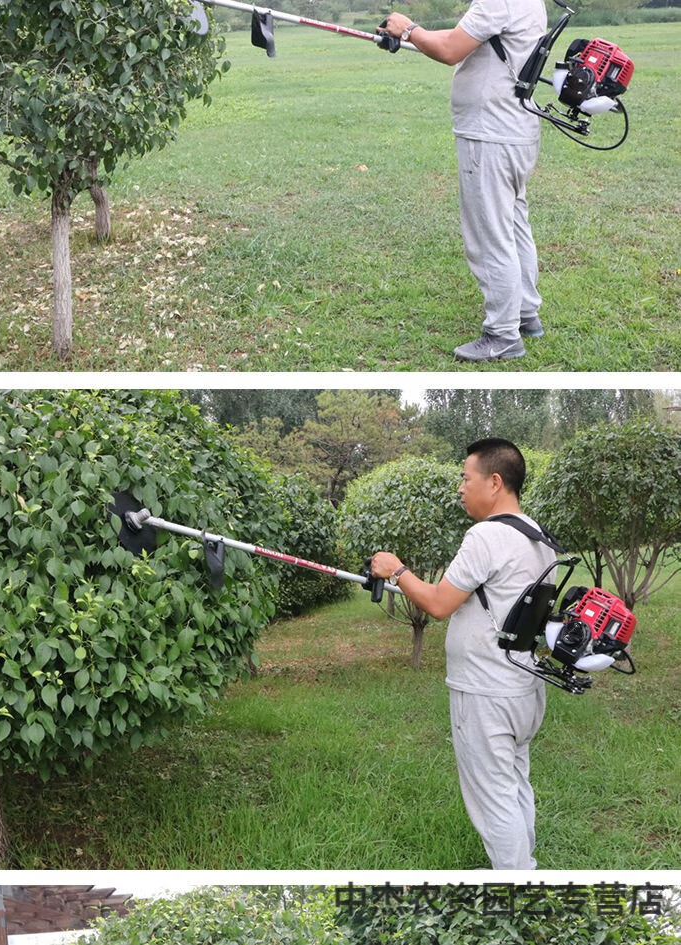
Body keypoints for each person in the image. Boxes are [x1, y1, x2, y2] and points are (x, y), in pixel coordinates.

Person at [371, 438, 556, 868]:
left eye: (465, 477)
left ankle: (515, 881)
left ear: (494, 482)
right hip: (523, 685)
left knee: (493, 799)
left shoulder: (486, 535)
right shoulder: (539, 536)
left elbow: (438, 604)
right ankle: (523, 861)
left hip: (486, 690)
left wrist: (395, 570)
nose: (460, 487)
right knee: (513, 782)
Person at [378, 0, 547, 361]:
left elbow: (451, 50)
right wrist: (412, 35)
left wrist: (408, 29)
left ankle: (502, 335)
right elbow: (461, 38)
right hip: (515, 130)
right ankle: (525, 313)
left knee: (489, 235)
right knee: (515, 225)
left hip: (490, 134)